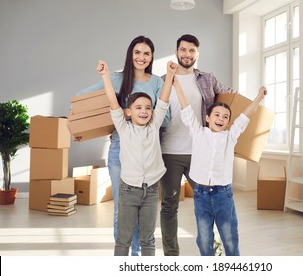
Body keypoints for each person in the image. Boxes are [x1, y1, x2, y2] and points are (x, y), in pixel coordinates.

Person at [72, 36, 169, 256]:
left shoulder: (156, 82)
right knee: (122, 210)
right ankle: (129, 258)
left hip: (148, 150)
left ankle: (139, 257)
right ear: (130, 54)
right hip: (119, 149)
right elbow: (83, 98)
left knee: (144, 212)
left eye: (146, 53)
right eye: (137, 52)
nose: (141, 57)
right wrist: (82, 129)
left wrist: (146, 121)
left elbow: (166, 117)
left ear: (152, 57)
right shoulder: (117, 79)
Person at [172, 75, 267, 255]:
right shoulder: (198, 133)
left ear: (228, 122)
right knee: (204, 239)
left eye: (225, 117)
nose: (220, 119)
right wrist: (176, 85)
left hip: (223, 194)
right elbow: (186, 109)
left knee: (229, 238)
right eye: (216, 115)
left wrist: (259, 97)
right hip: (201, 194)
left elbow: (244, 117)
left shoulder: (230, 137)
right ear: (207, 118)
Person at [159, 34, 236, 256]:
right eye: (183, 50)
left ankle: (214, 253)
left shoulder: (207, 79)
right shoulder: (163, 80)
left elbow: (228, 98)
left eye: (192, 51)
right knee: (169, 205)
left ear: (197, 54)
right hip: (169, 151)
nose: (187, 54)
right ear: (176, 51)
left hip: (200, 152)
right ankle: (171, 255)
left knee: (210, 204)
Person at [97, 59, 176, 256]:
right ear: (129, 112)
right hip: (128, 190)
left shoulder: (154, 126)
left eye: (148, 107)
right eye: (138, 108)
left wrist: (170, 75)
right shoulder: (123, 128)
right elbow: (113, 103)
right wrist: (106, 76)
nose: (144, 111)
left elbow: (164, 101)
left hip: (149, 191)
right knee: (123, 240)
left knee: (148, 239)